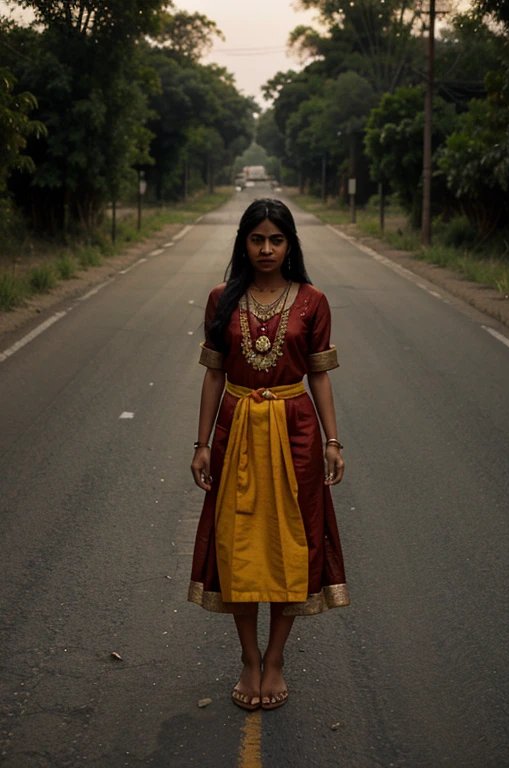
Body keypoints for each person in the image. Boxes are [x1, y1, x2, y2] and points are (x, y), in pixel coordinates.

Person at [188, 198, 349, 712]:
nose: (265, 249)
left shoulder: (313, 300)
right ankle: (248, 658)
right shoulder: (221, 298)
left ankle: (275, 658)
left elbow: (318, 374)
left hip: (295, 431)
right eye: (256, 239)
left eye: (275, 240)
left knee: (289, 544)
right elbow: (215, 373)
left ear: (289, 245)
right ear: (243, 243)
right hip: (236, 430)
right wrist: (202, 444)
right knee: (238, 546)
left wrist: (331, 440)